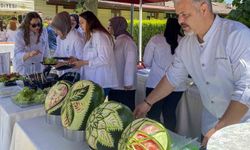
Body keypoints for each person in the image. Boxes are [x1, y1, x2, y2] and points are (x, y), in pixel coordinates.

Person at [134, 0, 250, 147]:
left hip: (242, 127)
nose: (180, 20)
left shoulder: (237, 35)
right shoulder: (186, 44)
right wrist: (147, 103)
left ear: (203, 8)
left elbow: (246, 88)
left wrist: (219, 129)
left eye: (184, 14)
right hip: (210, 124)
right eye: (178, 15)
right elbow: (172, 78)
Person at [143, 18, 185, 132]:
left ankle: (155, 140)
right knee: (170, 114)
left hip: (155, 83)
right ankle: (170, 140)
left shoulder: (155, 40)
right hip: (177, 86)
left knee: (153, 115)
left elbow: (146, 62)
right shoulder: (184, 41)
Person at [71, 11, 118, 97]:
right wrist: (78, 60)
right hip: (93, 81)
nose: (80, 25)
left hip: (101, 82)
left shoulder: (100, 36)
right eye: (79, 23)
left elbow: (104, 59)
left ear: (90, 22)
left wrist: (83, 63)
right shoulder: (92, 35)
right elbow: (91, 56)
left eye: (82, 22)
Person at [107, 16, 138, 111]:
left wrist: (128, 82)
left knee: (126, 113)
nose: (108, 29)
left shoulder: (128, 41)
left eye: (110, 26)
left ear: (116, 26)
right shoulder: (117, 40)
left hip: (125, 88)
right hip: (114, 85)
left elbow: (130, 62)